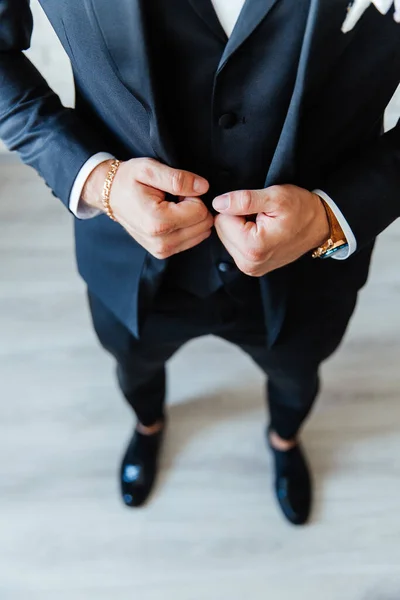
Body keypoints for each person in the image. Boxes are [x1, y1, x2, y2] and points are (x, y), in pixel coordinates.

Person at [1, 0, 399, 526]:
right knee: (134, 366)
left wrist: (334, 215)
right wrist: (95, 179)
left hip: (310, 270)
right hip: (129, 259)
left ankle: (284, 439)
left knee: (297, 377)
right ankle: (148, 425)